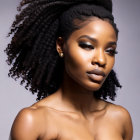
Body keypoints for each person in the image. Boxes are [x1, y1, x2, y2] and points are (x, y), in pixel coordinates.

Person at [5, 0, 133, 140]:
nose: (101, 60)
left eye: (110, 51)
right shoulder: (33, 122)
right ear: (61, 45)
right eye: (87, 46)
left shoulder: (120, 119)